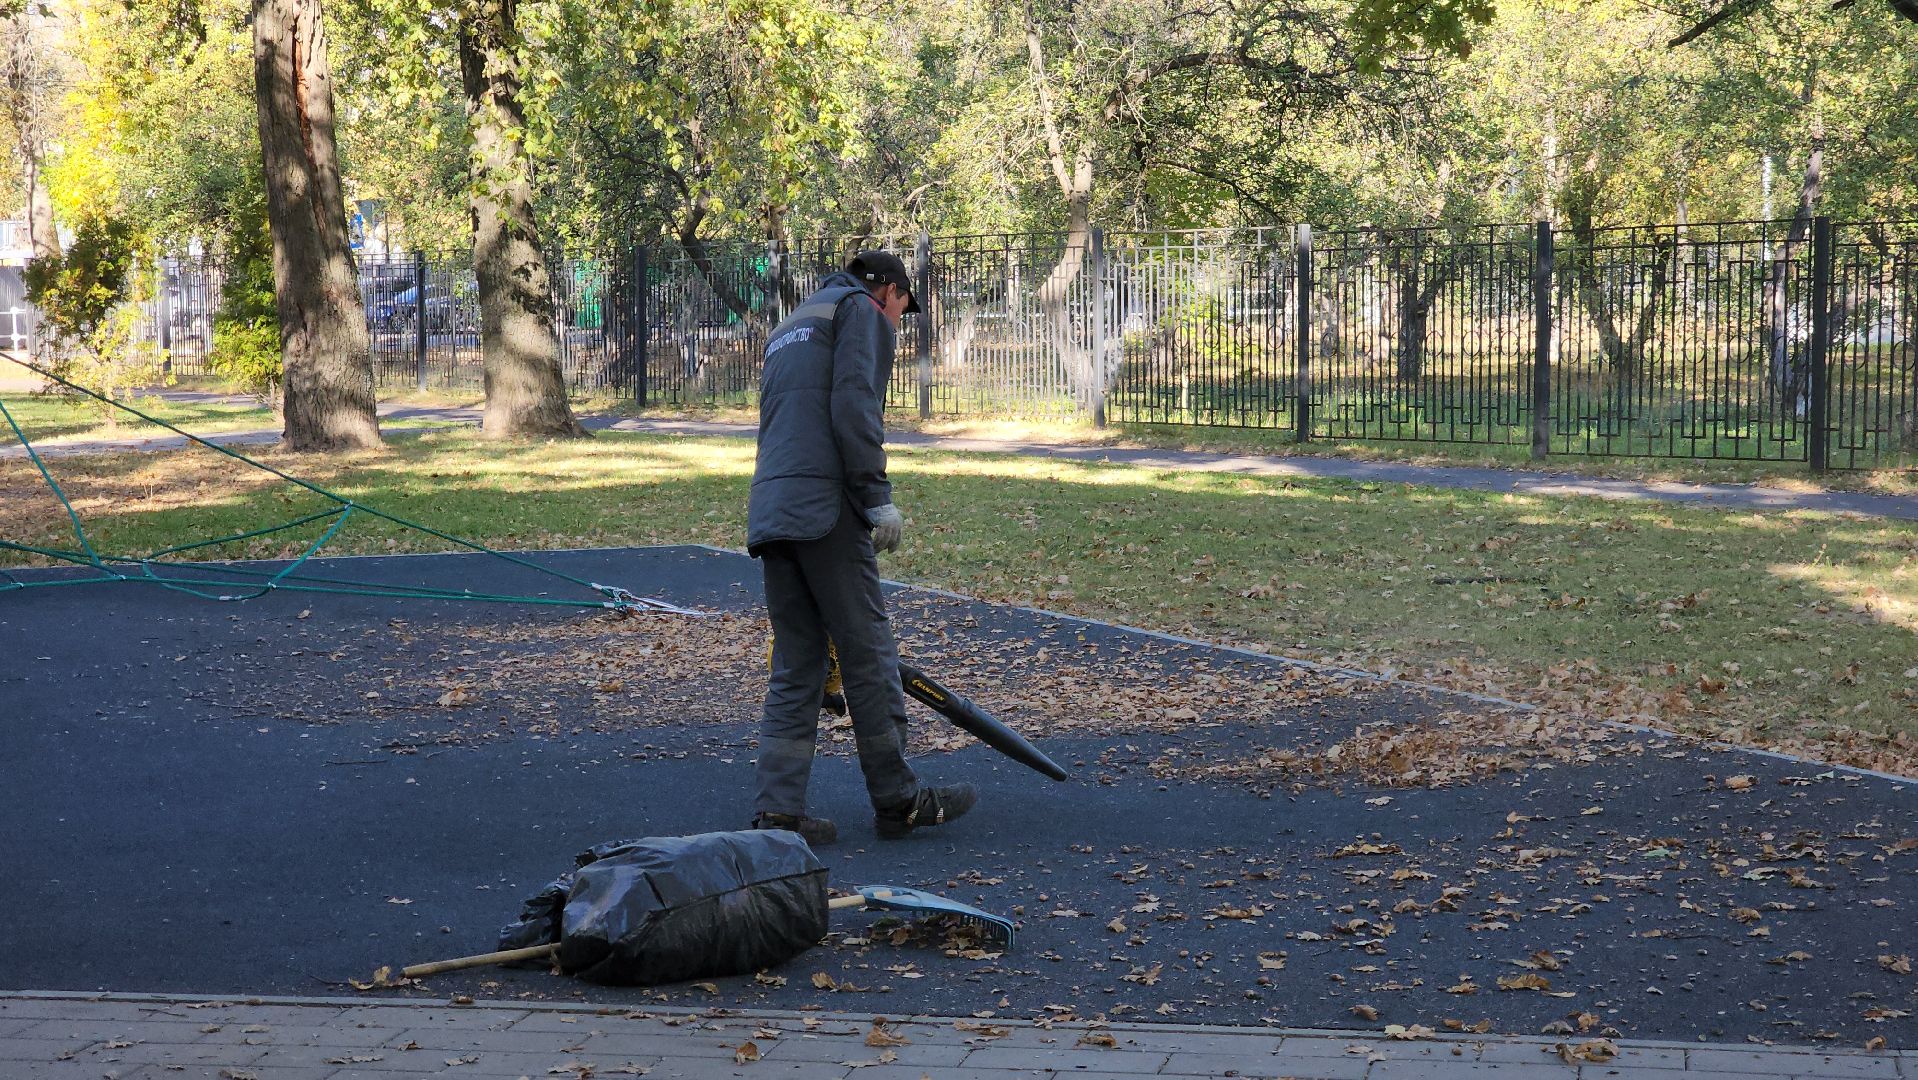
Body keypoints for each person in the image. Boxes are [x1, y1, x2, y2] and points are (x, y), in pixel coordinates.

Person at [745, 250, 977, 847]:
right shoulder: (861, 312)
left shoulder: (792, 323)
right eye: (905, 306)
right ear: (890, 291)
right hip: (827, 509)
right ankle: (898, 800)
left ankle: (779, 813)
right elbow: (854, 406)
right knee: (867, 654)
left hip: (773, 509)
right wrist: (876, 497)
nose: (901, 319)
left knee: (797, 660)